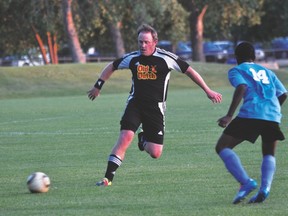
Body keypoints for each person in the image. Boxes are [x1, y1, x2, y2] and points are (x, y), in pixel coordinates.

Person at [87, 24, 222, 186]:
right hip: (135, 104)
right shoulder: (133, 58)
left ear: (154, 42)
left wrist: (208, 90)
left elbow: (190, 71)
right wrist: (98, 85)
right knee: (125, 137)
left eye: (146, 42)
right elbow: (112, 66)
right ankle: (107, 179)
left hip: (156, 109)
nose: (142, 45)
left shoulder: (166, 58)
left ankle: (143, 138)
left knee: (156, 153)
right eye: (140, 42)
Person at [215, 41, 287, 204]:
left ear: (236, 57)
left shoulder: (237, 70)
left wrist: (229, 115)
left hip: (252, 112)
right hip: (272, 114)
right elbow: (283, 94)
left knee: (222, 147)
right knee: (269, 153)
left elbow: (241, 87)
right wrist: (272, 110)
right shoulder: (267, 71)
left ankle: (246, 182)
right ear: (254, 57)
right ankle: (265, 189)